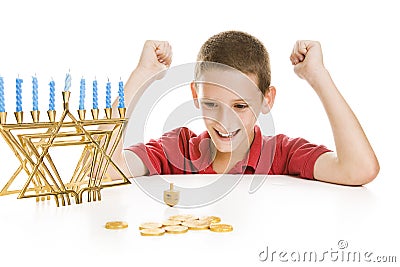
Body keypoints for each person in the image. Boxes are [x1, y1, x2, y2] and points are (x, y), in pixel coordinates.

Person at [109, 31, 379, 186]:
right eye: (211, 104)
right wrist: (141, 76)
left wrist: (318, 76)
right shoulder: (177, 149)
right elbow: (102, 169)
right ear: (195, 94)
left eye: (240, 105)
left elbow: (359, 169)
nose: (225, 121)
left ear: (266, 100)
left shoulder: (282, 154)